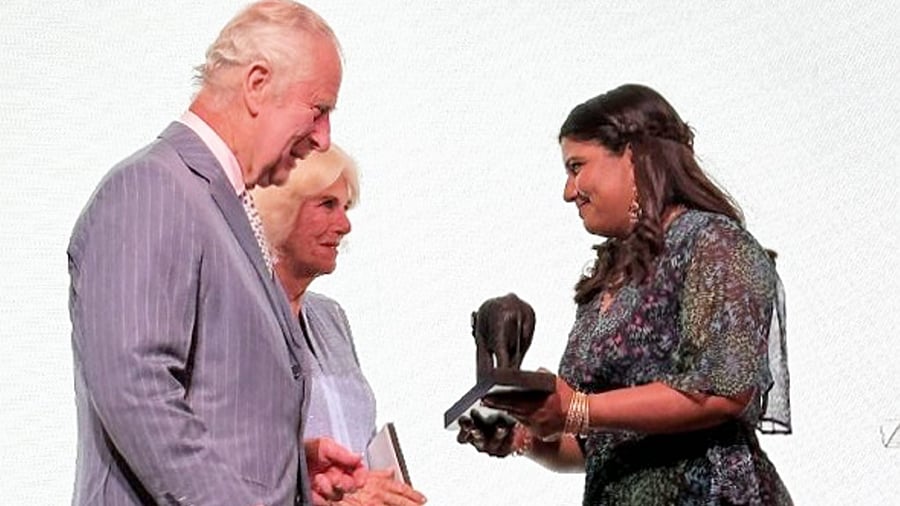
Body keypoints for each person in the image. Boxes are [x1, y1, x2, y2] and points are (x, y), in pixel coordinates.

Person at [67, 2, 366, 505]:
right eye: (318, 110)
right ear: (257, 84)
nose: (323, 138)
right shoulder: (152, 188)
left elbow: (209, 402)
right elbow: (137, 391)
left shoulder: (218, 204)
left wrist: (288, 471)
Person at [457, 84, 792, 505]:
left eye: (577, 167)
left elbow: (724, 391)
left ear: (634, 156)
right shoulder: (609, 277)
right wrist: (523, 436)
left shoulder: (714, 244)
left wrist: (578, 408)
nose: (568, 191)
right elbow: (600, 444)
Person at [253, 146, 428, 506]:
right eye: (327, 205)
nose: (345, 225)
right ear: (280, 209)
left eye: (345, 208)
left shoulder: (331, 317)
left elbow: (357, 438)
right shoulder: (238, 317)